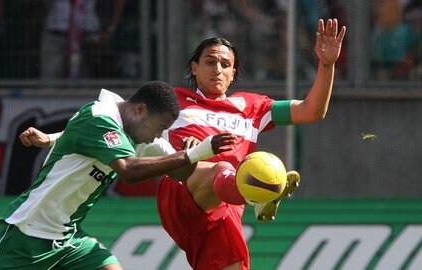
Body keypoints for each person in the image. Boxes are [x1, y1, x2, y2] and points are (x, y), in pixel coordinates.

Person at [22, 18, 346, 270]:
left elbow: (312, 110)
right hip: (183, 185)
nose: (216, 68)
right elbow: (110, 123)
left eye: (224, 64)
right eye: (209, 61)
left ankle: (256, 190)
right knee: (220, 165)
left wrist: (327, 64)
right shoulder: (174, 101)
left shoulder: (253, 106)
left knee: (232, 260)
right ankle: (260, 189)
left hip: (224, 209)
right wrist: (51, 138)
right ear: (195, 67)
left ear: (234, 73)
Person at [0, 80, 237, 270]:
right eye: (160, 127)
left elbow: (180, 172)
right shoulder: (100, 117)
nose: (156, 136)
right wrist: (196, 154)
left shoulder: (139, 133)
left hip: (67, 237)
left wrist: (192, 152)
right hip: (24, 235)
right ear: (141, 110)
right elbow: (128, 171)